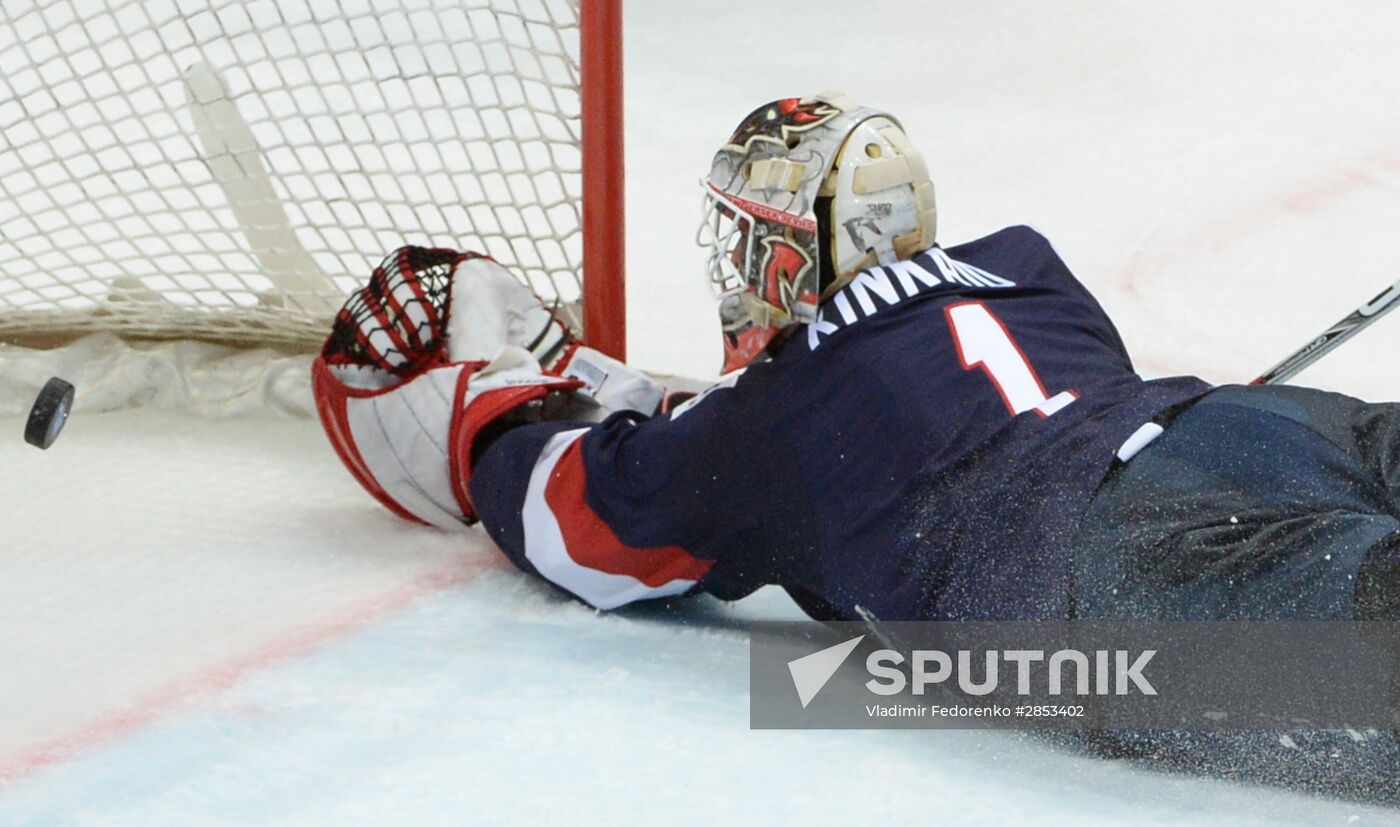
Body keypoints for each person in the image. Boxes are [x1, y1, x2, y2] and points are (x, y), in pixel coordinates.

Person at [310, 93, 1399, 799]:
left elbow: (584, 522)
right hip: (1248, 427)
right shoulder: (1024, 268)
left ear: (796, 253)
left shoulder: (785, 410)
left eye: (751, 241)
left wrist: (496, 415)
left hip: (1117, 557)